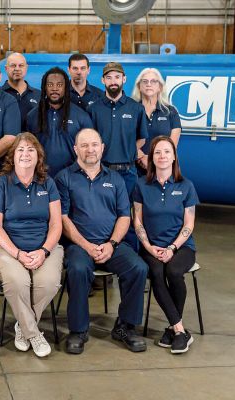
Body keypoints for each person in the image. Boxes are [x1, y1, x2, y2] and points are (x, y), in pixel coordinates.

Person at [55, 128, 148, 355]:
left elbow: (124, 216)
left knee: (138, 268)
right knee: (78, 269)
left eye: (95, 144)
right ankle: (78, 330)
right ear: (75, 149)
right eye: (84, 145)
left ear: (102, 148)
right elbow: (63, 218)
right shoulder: (64, 178)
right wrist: (86, 246)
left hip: (112, 245)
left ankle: (125, 326)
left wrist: (112, 244)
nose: (90, 149)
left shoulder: (115, 179)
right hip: (78, 246)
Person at [0, 132, 63, 358]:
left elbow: (56, 224)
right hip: (5, 248)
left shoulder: (48, 183)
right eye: (20, 150)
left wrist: (44, 251)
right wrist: (17, 253)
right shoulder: (1, 184)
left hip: (44, 247)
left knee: (49, 283)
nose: (25, 154)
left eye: (31, 150)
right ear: (12, 156)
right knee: (18, 282)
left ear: (38, 156)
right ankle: (34, 333)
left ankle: (23, 327)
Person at [132, 136, 198, 354]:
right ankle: (180, 330)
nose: (162, 156)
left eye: (167, 152)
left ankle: (172, 329)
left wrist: (172, 248)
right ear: (151, 157)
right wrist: (149, 247)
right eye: (157, 152)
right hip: (151, 247)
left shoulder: (186, 186)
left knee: (174, 271)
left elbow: (189, 224)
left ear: (174, 157)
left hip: (181, 247)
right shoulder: (141, 185)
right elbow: (137, 220)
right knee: (157, 273)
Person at [89, 62, 149, 249]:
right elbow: (90, 140)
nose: (113, 81)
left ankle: (130, 254)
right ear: (103, 80)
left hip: (128, 173)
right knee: (103, 214)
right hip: (102, 172)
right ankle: (102, 252)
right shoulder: (94, 108)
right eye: (109, 77)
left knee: (129, 215)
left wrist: (126, 150)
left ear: (124, 79)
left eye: (117, 77)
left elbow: (141, 139)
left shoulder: (136, 108)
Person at [25, 67, 93, 177]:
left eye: (59, 85)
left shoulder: (81, 116)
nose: (54, 89)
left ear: (66, 88)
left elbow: (89, 150)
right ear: (44, 87)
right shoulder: (32, 116)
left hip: (73, 178)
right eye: (50, 85)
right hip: (40, 177)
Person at [130, 67, 182, 171]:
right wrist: (142, 157)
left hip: (161, 167)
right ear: (139, 86)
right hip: (132, 167)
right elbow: (122, 138)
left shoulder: (171, 112)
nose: (149, 84)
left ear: (160, 87)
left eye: (153, 81)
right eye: (145, 81)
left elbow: (172, 146)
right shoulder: (129, 110)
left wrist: (152, 160)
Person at [1, 52, 40, 128]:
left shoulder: (39, 95)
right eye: (13, 65)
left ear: (26, 68)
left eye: (21, 65)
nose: (17, 69)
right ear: (6, 68)